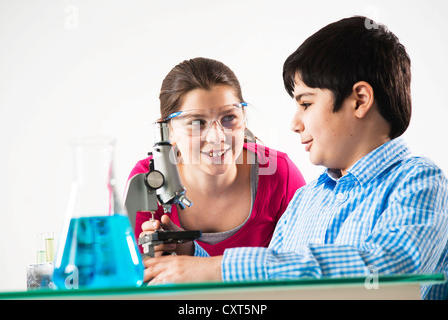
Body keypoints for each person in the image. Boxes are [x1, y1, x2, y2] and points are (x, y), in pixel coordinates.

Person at [143, 17, 448, 300]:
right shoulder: (306, 200)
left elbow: (392, 272)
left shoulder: (419, 182)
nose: (294, 123)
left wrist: (216, 269)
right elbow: (268, 292)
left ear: (359, 100)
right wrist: (190, 256)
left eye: (306, 103)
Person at [129, 57, 306, 257]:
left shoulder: (280, 174)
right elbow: (130, 271)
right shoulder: (147, 178)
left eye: (229, 118)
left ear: (243, 115)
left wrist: (191, 255)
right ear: (167, 129)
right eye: (197, 122)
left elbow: (299, 270)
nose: (217, 137)